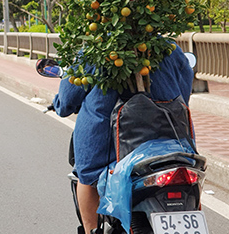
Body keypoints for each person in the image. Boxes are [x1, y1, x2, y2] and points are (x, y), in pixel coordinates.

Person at [53, 43, 194, 234]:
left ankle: (91, 230)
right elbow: (184, 89)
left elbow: (68, 99)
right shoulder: (168, 47)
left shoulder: (98, 49)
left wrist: (59, 104)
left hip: (110, 143)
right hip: (170, 137)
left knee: (87, 176)